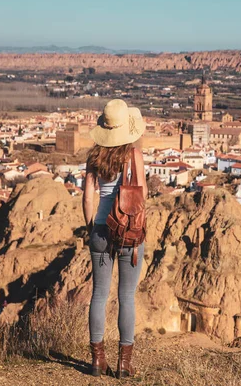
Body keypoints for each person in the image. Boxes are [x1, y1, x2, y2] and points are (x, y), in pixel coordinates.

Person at [83, 99, 147, 378]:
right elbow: (141, 195)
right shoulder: (134, 154)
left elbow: (88, 197)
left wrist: (92, 227)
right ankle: (124, 363)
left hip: (100, 230)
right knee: (127, 297)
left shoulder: (93, 156)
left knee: (99, 294)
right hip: (128, 232)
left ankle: (97, 361)